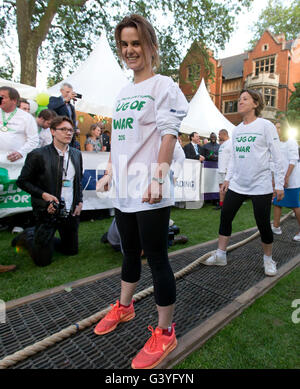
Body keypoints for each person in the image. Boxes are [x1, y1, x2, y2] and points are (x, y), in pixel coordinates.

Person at [94, 14, 188, 370]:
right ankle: (125, 307)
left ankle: (165, 332)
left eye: (137, 43)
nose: (130, 50)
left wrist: (159, 178)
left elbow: (168, 134)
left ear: (151, 47)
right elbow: (121, 141)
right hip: (124, 191)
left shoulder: (164, 85)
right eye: (125, 44)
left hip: (151, 190)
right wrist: (108, 172)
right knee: (129, 253)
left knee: (158, 259)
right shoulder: (122, 93)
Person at [203, 89, 285, 277]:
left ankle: (268, 259)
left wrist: (279, 184)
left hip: (260, 185)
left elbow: (277, 156)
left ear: (256, 104)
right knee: (225, 216)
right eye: (239, 99)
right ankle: (221, 254)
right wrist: (227, 179)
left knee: (263, 223)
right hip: (238, 184)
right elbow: (233, 159)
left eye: (245, 99)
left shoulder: (266, 126)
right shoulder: (237, 130)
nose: (240, 102)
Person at [12, 116, 83, 267]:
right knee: (42, 261)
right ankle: (29, 235)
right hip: (47, 211)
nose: (68, 133)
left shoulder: (77, 154)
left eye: (70, 130)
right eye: (63, 129)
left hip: (69, 211)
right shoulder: (38, 154)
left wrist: (80, 201)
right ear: (52, 131)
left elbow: (79, 182)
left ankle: (43, 239)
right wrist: (44, 196)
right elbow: (22, 181)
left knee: (71, 251)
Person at [271, 121, 300, 241]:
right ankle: (276, 226)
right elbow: (274, 162)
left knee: (294, 205)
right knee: (277, 201)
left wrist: (286, 177)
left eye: (278, 128)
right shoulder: (275, 143)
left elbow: (293, 160)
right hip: (279, 178)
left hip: (292, 178)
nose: (276, 130)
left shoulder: (291, 142)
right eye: (275, 127)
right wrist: (274, 179)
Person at [0, 86, 39, 163]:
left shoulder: (27, 117)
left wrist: (21, 153)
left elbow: (34, 140)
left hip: (15, 165)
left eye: (3, 97)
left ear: (14, 100)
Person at [48, 83, 80, 149]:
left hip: (70, 136)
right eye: (67, 92)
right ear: (61, 91)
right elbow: (50, 107)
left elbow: (72, 120)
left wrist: (75, 129)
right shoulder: (54, 99)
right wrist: (65, 100)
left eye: (70, 92)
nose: (69, 94)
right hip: (59, 134)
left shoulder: (71, 106)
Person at [214, 129, 231, 210]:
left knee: (227, 189)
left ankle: (228, 204)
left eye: (219, 135)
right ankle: (221, 204)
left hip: (227, 170)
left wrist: (229, 168)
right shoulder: (222, 144)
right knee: (221, 188)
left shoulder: (231, 143)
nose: (218, 137)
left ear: (223, 134)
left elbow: (233, 157)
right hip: (220, 170)